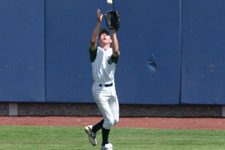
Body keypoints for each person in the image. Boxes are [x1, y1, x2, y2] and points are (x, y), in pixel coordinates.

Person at [85, 9, 120, 150]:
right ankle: (105, 144)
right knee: (109, 120)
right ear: (100, 40)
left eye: (106, 35)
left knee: (115, 119)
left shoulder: (112, 52)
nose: (104, 36)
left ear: (110, 40)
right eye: (102, 35)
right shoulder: (95, 53)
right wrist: (99, 24)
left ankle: (93, 129)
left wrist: (114, 32)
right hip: (99, 90)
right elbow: (92, 40)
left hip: (112, 88)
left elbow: (116, 52)